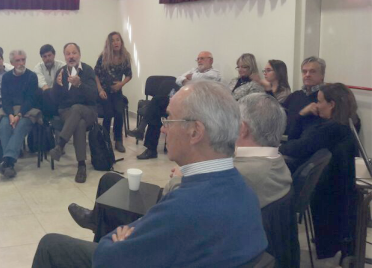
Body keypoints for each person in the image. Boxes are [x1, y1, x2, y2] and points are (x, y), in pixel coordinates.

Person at [33, 80, 268, 267]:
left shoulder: (184, 207)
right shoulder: (244, 189)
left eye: (169, 119)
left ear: (195, 132)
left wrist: (117, 244)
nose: (163, 127)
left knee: (50, 245)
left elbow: (107, 259)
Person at [69, 92, 292, 241]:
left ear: (242, 129)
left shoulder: (240, 174)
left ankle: (102, 237)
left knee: (55, 244)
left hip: (177, 216)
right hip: (194, 210)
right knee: (110, 181)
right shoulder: (275, 163)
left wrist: (185, 173)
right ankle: (97, 221)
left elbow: (179, 195)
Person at [279, 83, 358, 259]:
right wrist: (302, 115)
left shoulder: (332, 129)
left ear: (332, 104)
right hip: (331, 191)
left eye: (320, 101)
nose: (316, 104)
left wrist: (278, 147)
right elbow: (296, 138)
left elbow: (297, 146)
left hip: (326, 191)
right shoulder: (343, 124)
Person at [128, 51, 220, 160]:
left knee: (157, 102)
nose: (199, 61)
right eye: (198, 59)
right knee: (157, 108)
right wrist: (188, 79)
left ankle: (142, 129)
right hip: (184, 101)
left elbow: (200, 80)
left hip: (196, 105)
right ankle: (150, 148)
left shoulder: (215, 74)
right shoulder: (194, 70)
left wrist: (189, 78)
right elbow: (178, 79)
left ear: (211, 60)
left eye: (202, 59)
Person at [48, 43, 98, 183]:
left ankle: (61, 144)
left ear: (79, 54)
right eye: (68, 54)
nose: (71, 56)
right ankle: (81, 166)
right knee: (79, 123)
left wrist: (80, 85)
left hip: (88, 110)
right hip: (66, 112)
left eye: (74, 53)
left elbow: (94, 96)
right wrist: (57, 86)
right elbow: (54, 100)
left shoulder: (87, 70)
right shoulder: (61, 72)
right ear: (64, 57)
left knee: (77, 109)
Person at [0, 50, 39, 178]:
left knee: (20, 127)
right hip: (10, 111)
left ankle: (7, 162)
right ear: (11, 63)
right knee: (4, 126)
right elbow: (5, 99)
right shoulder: (7, 77)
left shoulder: (32, 76)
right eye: (18, 60)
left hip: (27, 112)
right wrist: (10, 115)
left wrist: (19, 115)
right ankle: (9, 164)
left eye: (23, 60)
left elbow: (30, 100)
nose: (21, 63)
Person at [95, 31, 132, 153]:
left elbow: (129, 75)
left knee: (119, 112)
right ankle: (105, 140)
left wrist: (121, 84)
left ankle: (118, 141)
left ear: (121, 42)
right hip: (104, 91)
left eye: (118, 40)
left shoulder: (125, 57)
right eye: (113, 41)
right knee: (108, 113)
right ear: (109, 44)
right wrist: (100, 89)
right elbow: (96, 74)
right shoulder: (103, 56)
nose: (116, 43)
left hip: (117, 91)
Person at [282, 56, 326, 136]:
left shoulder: (327, 98)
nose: (307, 75)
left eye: (312, 71)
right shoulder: (294, 96)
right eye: (304, 71)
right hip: (287, 140)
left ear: (322, 75)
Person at [33, 44, 65, 118]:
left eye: (49, 55)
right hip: (45, 96)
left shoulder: (62, 66)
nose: (47, 58)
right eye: (44, 56)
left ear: (54, 55)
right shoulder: (38, 67)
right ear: (42, 58)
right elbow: (43, 85)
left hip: (59, 94)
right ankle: (49, 120)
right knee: (41, 92)